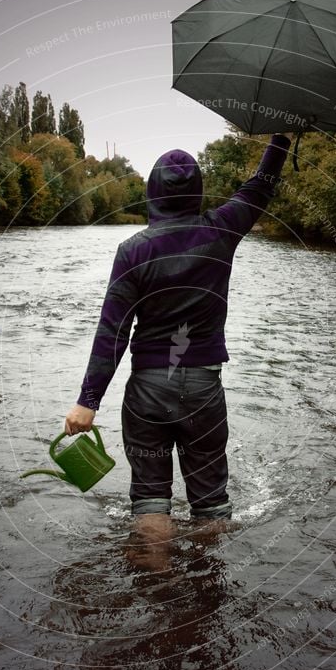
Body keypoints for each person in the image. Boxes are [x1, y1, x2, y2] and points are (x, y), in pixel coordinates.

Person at [63, 132, 291, 528]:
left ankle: (157, 583)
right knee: (211, 505)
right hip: (203, 388)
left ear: (152, 191)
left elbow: (111, 330)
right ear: (197, 191)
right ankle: (207, 588)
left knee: (150, 501)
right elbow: (260, 186)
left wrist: (89, 400)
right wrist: (282, 140)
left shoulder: (133, 250)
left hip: (148, 390)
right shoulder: (221, 230)